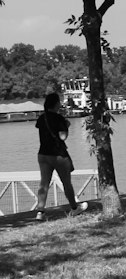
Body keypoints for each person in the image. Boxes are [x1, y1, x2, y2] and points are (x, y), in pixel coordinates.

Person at [33, 91, 87, 219]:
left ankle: (40, 211)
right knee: (66, 183)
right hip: (58, 155)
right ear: (56, 104)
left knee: (44, 183)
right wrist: (67, 126)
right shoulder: (59, 119)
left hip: (43, 154)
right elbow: (62, 137)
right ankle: (74, 208)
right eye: (59, 102)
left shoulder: (42, 118)